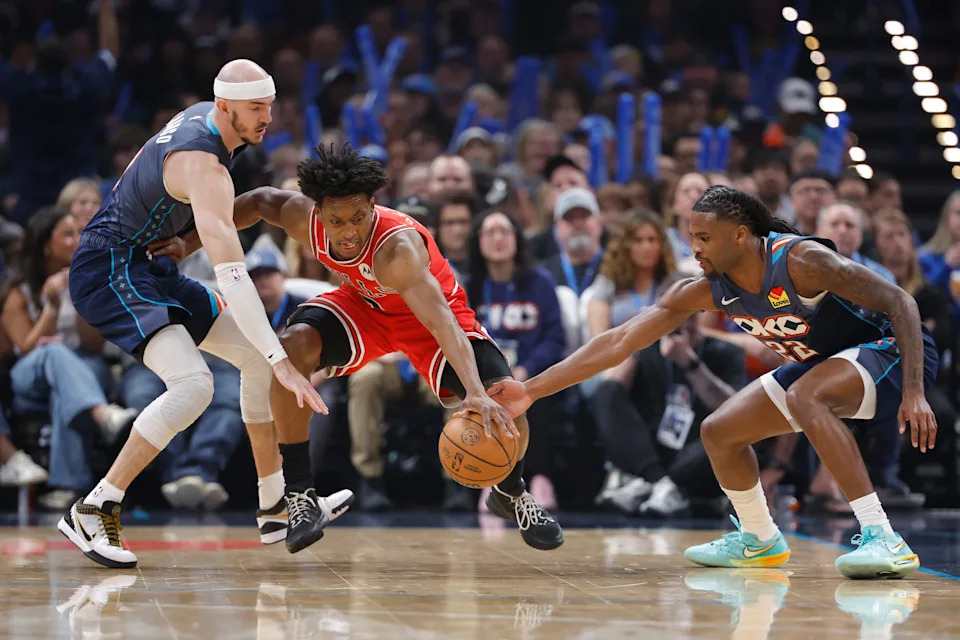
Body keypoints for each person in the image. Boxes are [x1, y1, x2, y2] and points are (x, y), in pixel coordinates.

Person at [491, 185, 939, 580]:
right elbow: (619, 340)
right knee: (720, 431)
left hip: (893, 352)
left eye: (704, 238)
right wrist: (531, 391)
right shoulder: (708, 289)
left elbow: (901, 301)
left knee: (807, 395)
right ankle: (760, 537)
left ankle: (882, 535)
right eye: (692, 239)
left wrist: (915, 391)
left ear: (740, 235)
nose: (695, 249)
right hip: (824, 365)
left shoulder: (802, 261)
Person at [57, 60, 351, 569]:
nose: (266, 117)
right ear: (223, 107)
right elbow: (233, 274)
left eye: (269, 105)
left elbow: (184, 205)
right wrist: (281, 361)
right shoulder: (206, 165)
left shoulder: (209, 123)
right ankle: (95, 505)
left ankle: (273, 506)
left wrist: (271, 357)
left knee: (258, 361)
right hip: (108, 269)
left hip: (148, 264)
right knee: (197, 385)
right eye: (255, 108)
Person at [225, 144, 564, 554]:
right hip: (364, 306)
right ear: (318, 213)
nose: (348, 231)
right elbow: (258, 202)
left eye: (358, 217)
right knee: (289, 349)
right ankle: (299, 495)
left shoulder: (397, 249)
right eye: (336, 220)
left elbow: (442, 322)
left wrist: (474, 391)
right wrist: (186, 238)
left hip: (431, 321)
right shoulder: (305, 220)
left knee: (505, 396)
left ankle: (511, 492)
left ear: (373, 205)